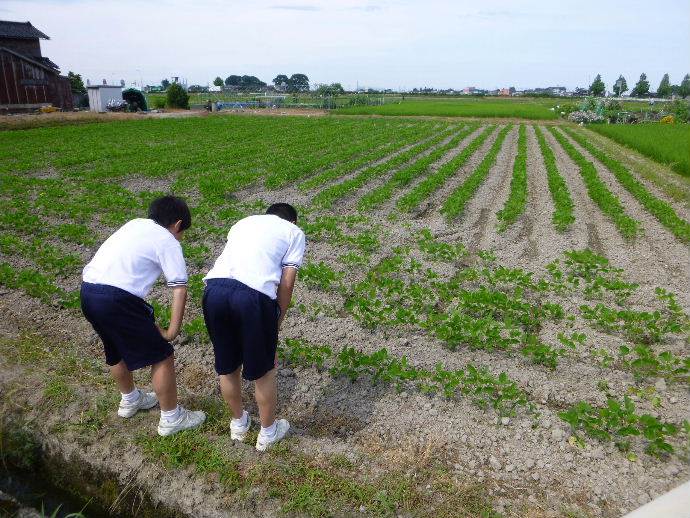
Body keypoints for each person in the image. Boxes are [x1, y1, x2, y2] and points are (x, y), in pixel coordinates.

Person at [80, 195, 206, 436]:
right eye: (182, 232)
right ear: (177, 225)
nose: (180, 237)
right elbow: (179, 287)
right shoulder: (168, 241)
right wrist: (172, 331)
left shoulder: (134, 224)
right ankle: (171, 418)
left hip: (88, 290)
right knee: (162, 354)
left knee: (115, 349)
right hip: (116, 298)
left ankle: (130, 400)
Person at [202, 203, 306, 451]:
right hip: (252, 296)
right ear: (291, 221)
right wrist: (276, 318)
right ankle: (268, 433)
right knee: (264, 371)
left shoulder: (243, 222)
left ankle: (238, 424)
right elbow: (287, 283)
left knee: (227, 366)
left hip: (213, 290)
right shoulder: (294, 232)